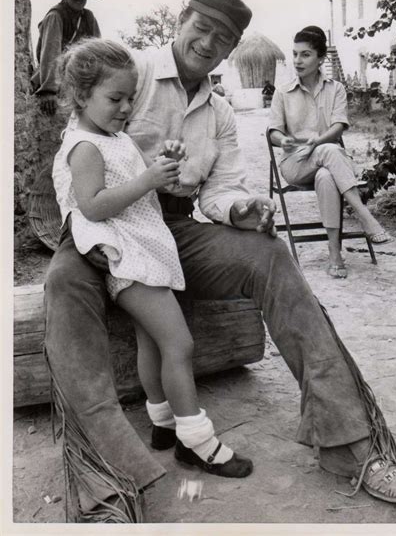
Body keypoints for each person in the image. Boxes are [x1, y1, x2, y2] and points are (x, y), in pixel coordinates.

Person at [44, 0, 396, 522]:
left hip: (168, 229)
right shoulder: (133, 71)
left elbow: (218, 193)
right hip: (95, 227)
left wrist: (242, 209)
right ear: (180, 20)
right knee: (62, 285)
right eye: (201, 27)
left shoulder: (220, 112)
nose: (208, 42)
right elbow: (78, 149)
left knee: (269, 252)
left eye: (223, 38)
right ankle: (102, 478)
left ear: (232, 50)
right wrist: (92, 231)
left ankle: (351, 446)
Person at [52, 37, 252, 486]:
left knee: (152, 343)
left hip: (145, 250)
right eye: (115, 98)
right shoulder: (85, 146)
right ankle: (197, 440)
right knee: (179, 345)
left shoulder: (112, 136)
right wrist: (148, 180)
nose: (125, 107)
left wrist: (164, 161)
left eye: (129, 98)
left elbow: (131, 170)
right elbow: (93, 205)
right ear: (82, 96)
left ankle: (162, 422)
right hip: (128, 258)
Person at [268, 26, 392, 279]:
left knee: (326, 175)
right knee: (329, 151)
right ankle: (363, 214)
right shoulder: (282, 92)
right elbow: (273, 133)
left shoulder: (335, 89)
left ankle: (334, 255)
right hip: (296, 164)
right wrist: (285, 142)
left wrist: (317, 142)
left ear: (321, 58)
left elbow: (338, 127)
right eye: (295, 54)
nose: (297, 61)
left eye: (305, 55)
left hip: (328, 162)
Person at [31, 0, 102, 116]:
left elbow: (98, 51)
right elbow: (50, 53)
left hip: (77, 77)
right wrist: (49, 90)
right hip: (53, 79)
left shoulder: (88, 17)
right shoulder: (55, 16)